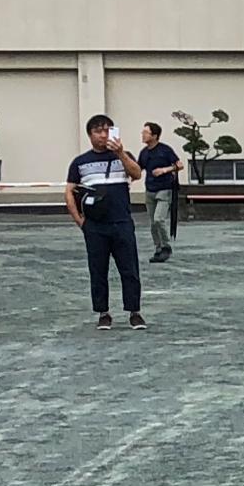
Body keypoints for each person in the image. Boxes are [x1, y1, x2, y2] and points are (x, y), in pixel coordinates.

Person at [66, 114, 146, 331]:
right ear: (90, 135)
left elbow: (137, 174)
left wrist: (120, 153)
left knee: (129, 269)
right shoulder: (80, 163)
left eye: (107, 130)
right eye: (98, 131)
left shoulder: (124, 155)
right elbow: (69, 192)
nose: (103, 135)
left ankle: (134, 312)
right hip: (95, 226)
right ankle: (103, 313)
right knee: (98, 270)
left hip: (122, 222)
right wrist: (80, 221)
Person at [137, 121, 181, 263]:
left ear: (155, 136)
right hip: (149, 189)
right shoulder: (144, 153)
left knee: (158, 219)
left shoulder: (165, 150)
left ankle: (166, 246)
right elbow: (138, 169)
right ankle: (158, 248)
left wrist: (165, 170)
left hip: (164, 189)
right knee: (152, 223)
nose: (142, 135)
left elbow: (179, 165)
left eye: (146, 132)